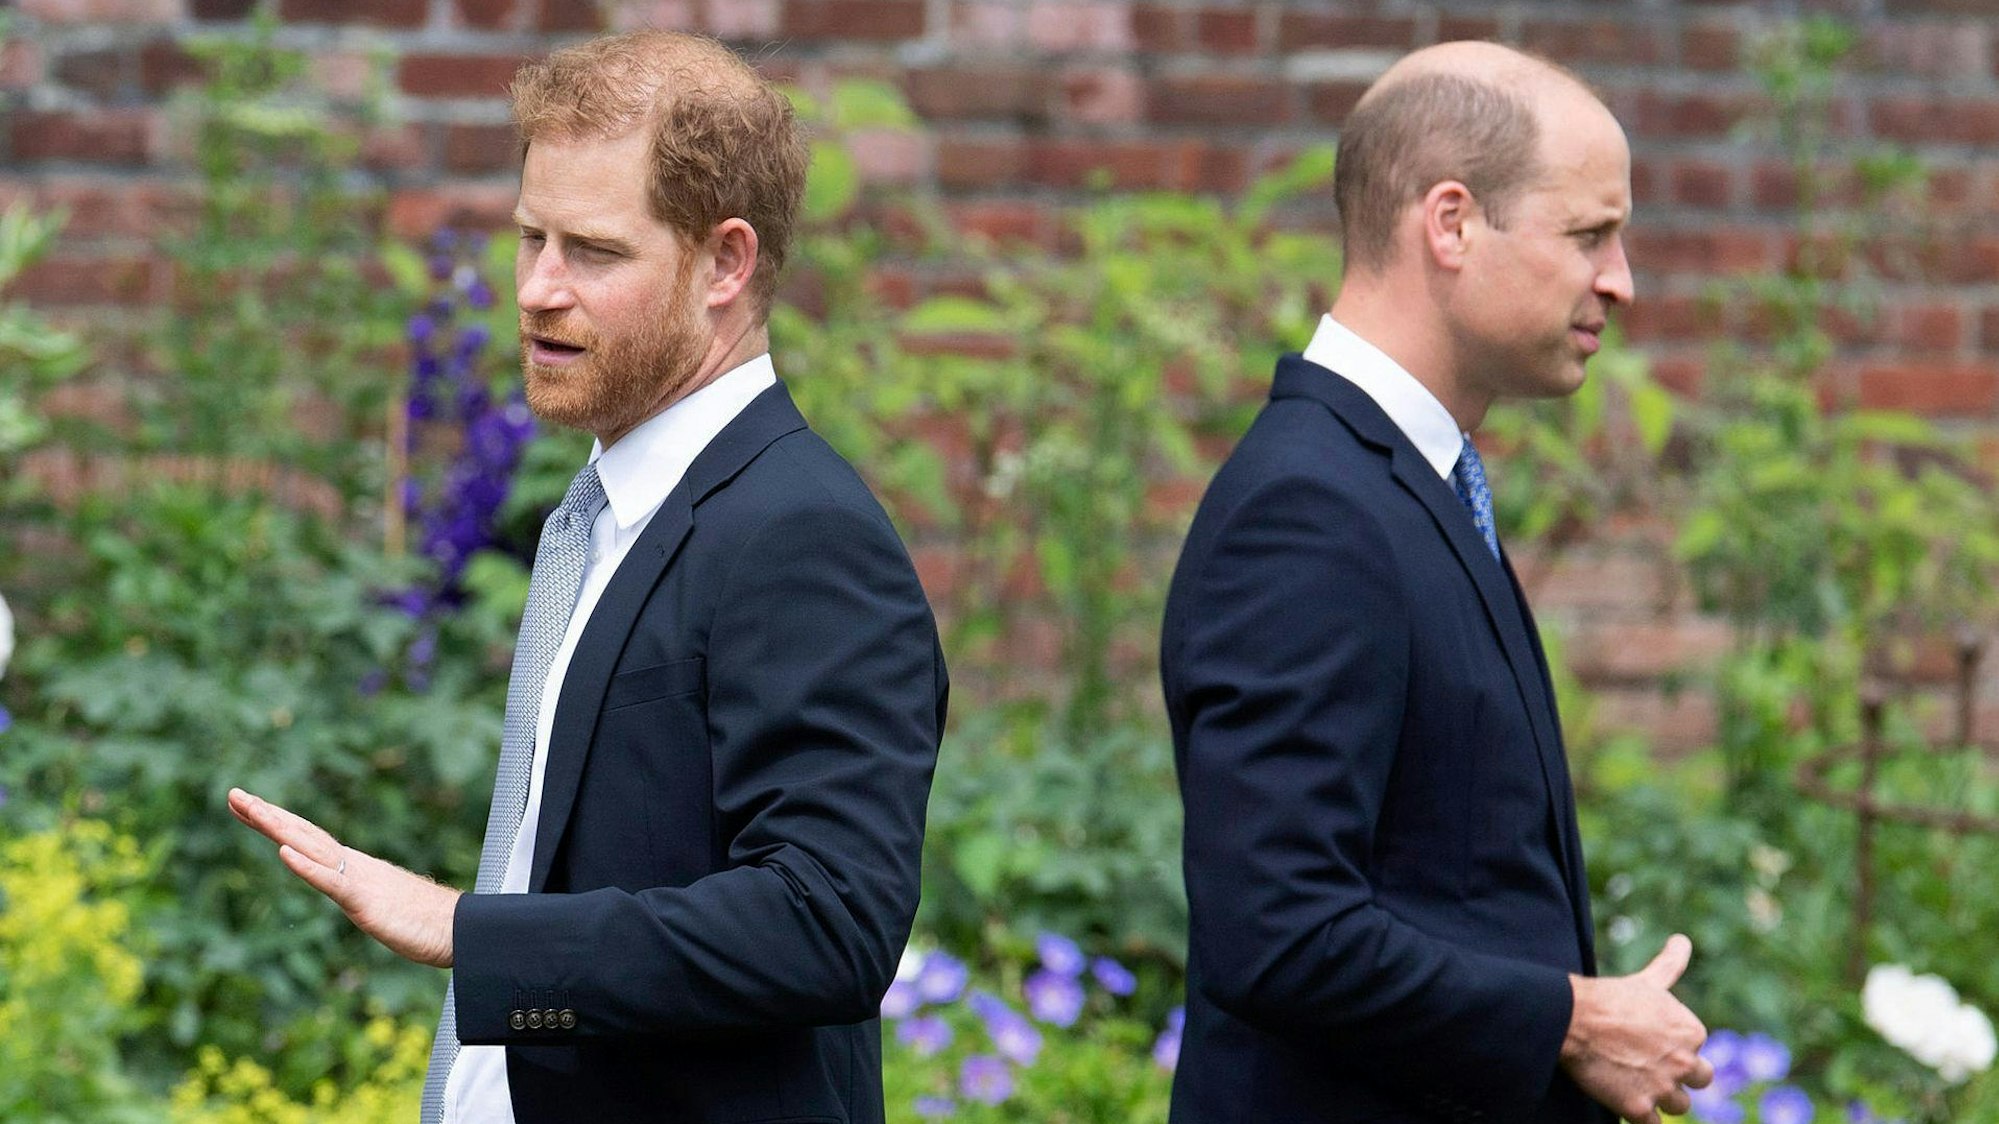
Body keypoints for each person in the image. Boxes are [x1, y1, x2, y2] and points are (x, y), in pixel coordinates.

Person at [229, 31, 946, 1124]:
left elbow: (826, 922)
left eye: (594, 253)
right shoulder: (607, 510)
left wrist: (471, 931)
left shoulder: (799, 532)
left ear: (726, 263)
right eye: (530, 237)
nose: (536, 289)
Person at [1160, 41, 1711, 1124]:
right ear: (1449, 223)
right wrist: (1570, 1017)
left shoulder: (1408, 482)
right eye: (1588, 234)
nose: (1620, 280)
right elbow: (1278, 929)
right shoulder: (1309, 511)